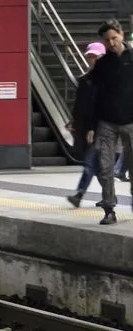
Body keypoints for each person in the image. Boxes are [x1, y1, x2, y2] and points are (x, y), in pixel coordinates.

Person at [86, 19, 133, 225]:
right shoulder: (103, 64)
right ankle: (109, 209)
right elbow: (93, 96)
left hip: (131, 121)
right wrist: (90, 125)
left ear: (121, 34)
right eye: (107, 40)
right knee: (105, 168)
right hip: (107, 122)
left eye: (114, 38)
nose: (112, 43)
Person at [67, 42, 105, 207]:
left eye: (95, 56)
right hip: (84, 126)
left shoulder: (105, 80)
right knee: (97, 167)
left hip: (99, 127)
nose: (91, 59)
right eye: (89, 56)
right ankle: (109, 195)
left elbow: (99, 106)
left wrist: (92, 128)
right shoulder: (85, 79)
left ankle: (79, 194)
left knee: (89, 162)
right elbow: (80, 104)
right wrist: (73, 120)